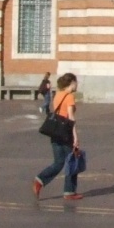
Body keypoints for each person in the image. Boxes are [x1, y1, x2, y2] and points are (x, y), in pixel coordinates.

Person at [33, 72, 83, 200]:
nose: (77, 84)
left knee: (59, 162)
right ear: (71, 83)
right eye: (76, 82)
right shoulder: (70, 97)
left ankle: (40, 180)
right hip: (66, 133)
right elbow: (71, 118)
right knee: (72, 160)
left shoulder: (57, 95)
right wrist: (75, 137)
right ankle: (69, 191)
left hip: (55, 132)